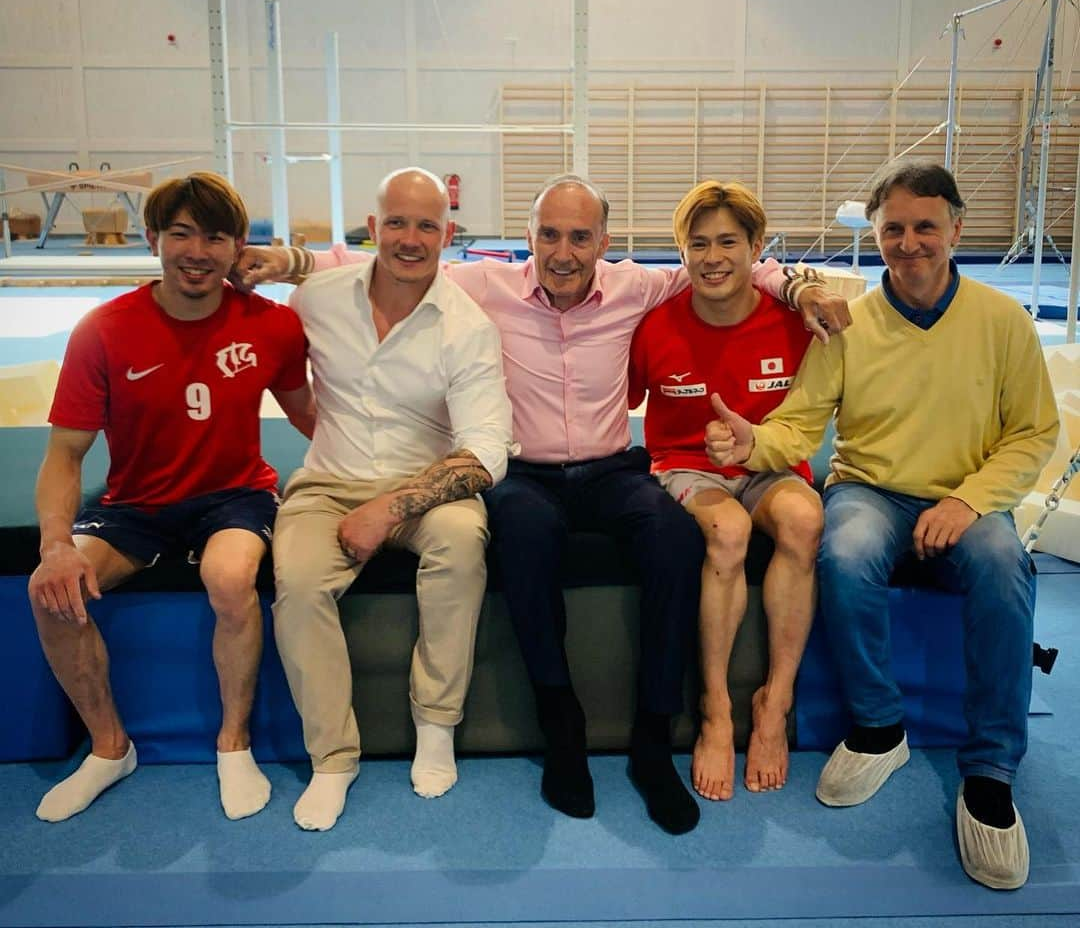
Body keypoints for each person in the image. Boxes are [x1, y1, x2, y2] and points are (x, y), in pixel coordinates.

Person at [240, 174, 851, 836]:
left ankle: (652, 736)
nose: (564, 252)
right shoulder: (484, 285)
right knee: (524, 538)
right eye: (550, 235)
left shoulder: (637, 285)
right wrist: (286, 260)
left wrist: (801, 288)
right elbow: (370, 259)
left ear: (604, 243)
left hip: (610, 468)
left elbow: (738, 267)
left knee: (674, 539)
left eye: (580, 237)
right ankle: (562, 723)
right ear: (529, 238)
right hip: (523, 472)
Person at [705, 159, 1059, 889]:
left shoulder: (1003, 323)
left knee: (1003, 567)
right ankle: (879, 725)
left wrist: (968, 500)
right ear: (875, 235)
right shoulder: (848, 326)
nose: (909, 242)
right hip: (870, 489)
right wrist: (755, 445)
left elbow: (1032, 433)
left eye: (924, 226)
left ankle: (990, 769)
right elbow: (800, 423)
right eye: (892, 229)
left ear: (955, 229)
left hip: (968, 496)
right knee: (845, 550)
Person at [28, 172, 314, 823]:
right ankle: (109, 747)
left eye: (215, 236)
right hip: (135, 504)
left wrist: (384, 470)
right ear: (154, 238)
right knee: (52, 593)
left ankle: (233, 743)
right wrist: (54, 546)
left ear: (237, 246)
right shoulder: (104, 330)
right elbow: (64, 454)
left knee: (229, 575)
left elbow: (312, 419)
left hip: (237, 496)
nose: (197, 251)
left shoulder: (272, 326)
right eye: (181, 233)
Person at [270, 168, 513, 832]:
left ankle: (436, 724)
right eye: (398, 224)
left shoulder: (467, 327)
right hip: (328, 483)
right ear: (373, 229)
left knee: (463, 542)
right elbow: (287, 380)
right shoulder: (314, 301)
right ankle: (332, 758)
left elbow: (487, 449)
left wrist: (391, 507)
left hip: (424, 485)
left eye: (427, 226)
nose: (411, 239)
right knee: (295, 580)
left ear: (449, 234)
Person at [628, 179, 822, 804]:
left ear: (757, 248)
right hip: (688, 466)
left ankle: (774, 703)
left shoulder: (793, 320)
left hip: (768, 464)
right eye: (698, 243)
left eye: (728, 242)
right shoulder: (655, 326)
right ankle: (715, 709)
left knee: (803, 520)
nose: (712, 257)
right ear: (681, 252)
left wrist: (755, 443)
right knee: (728, 531)